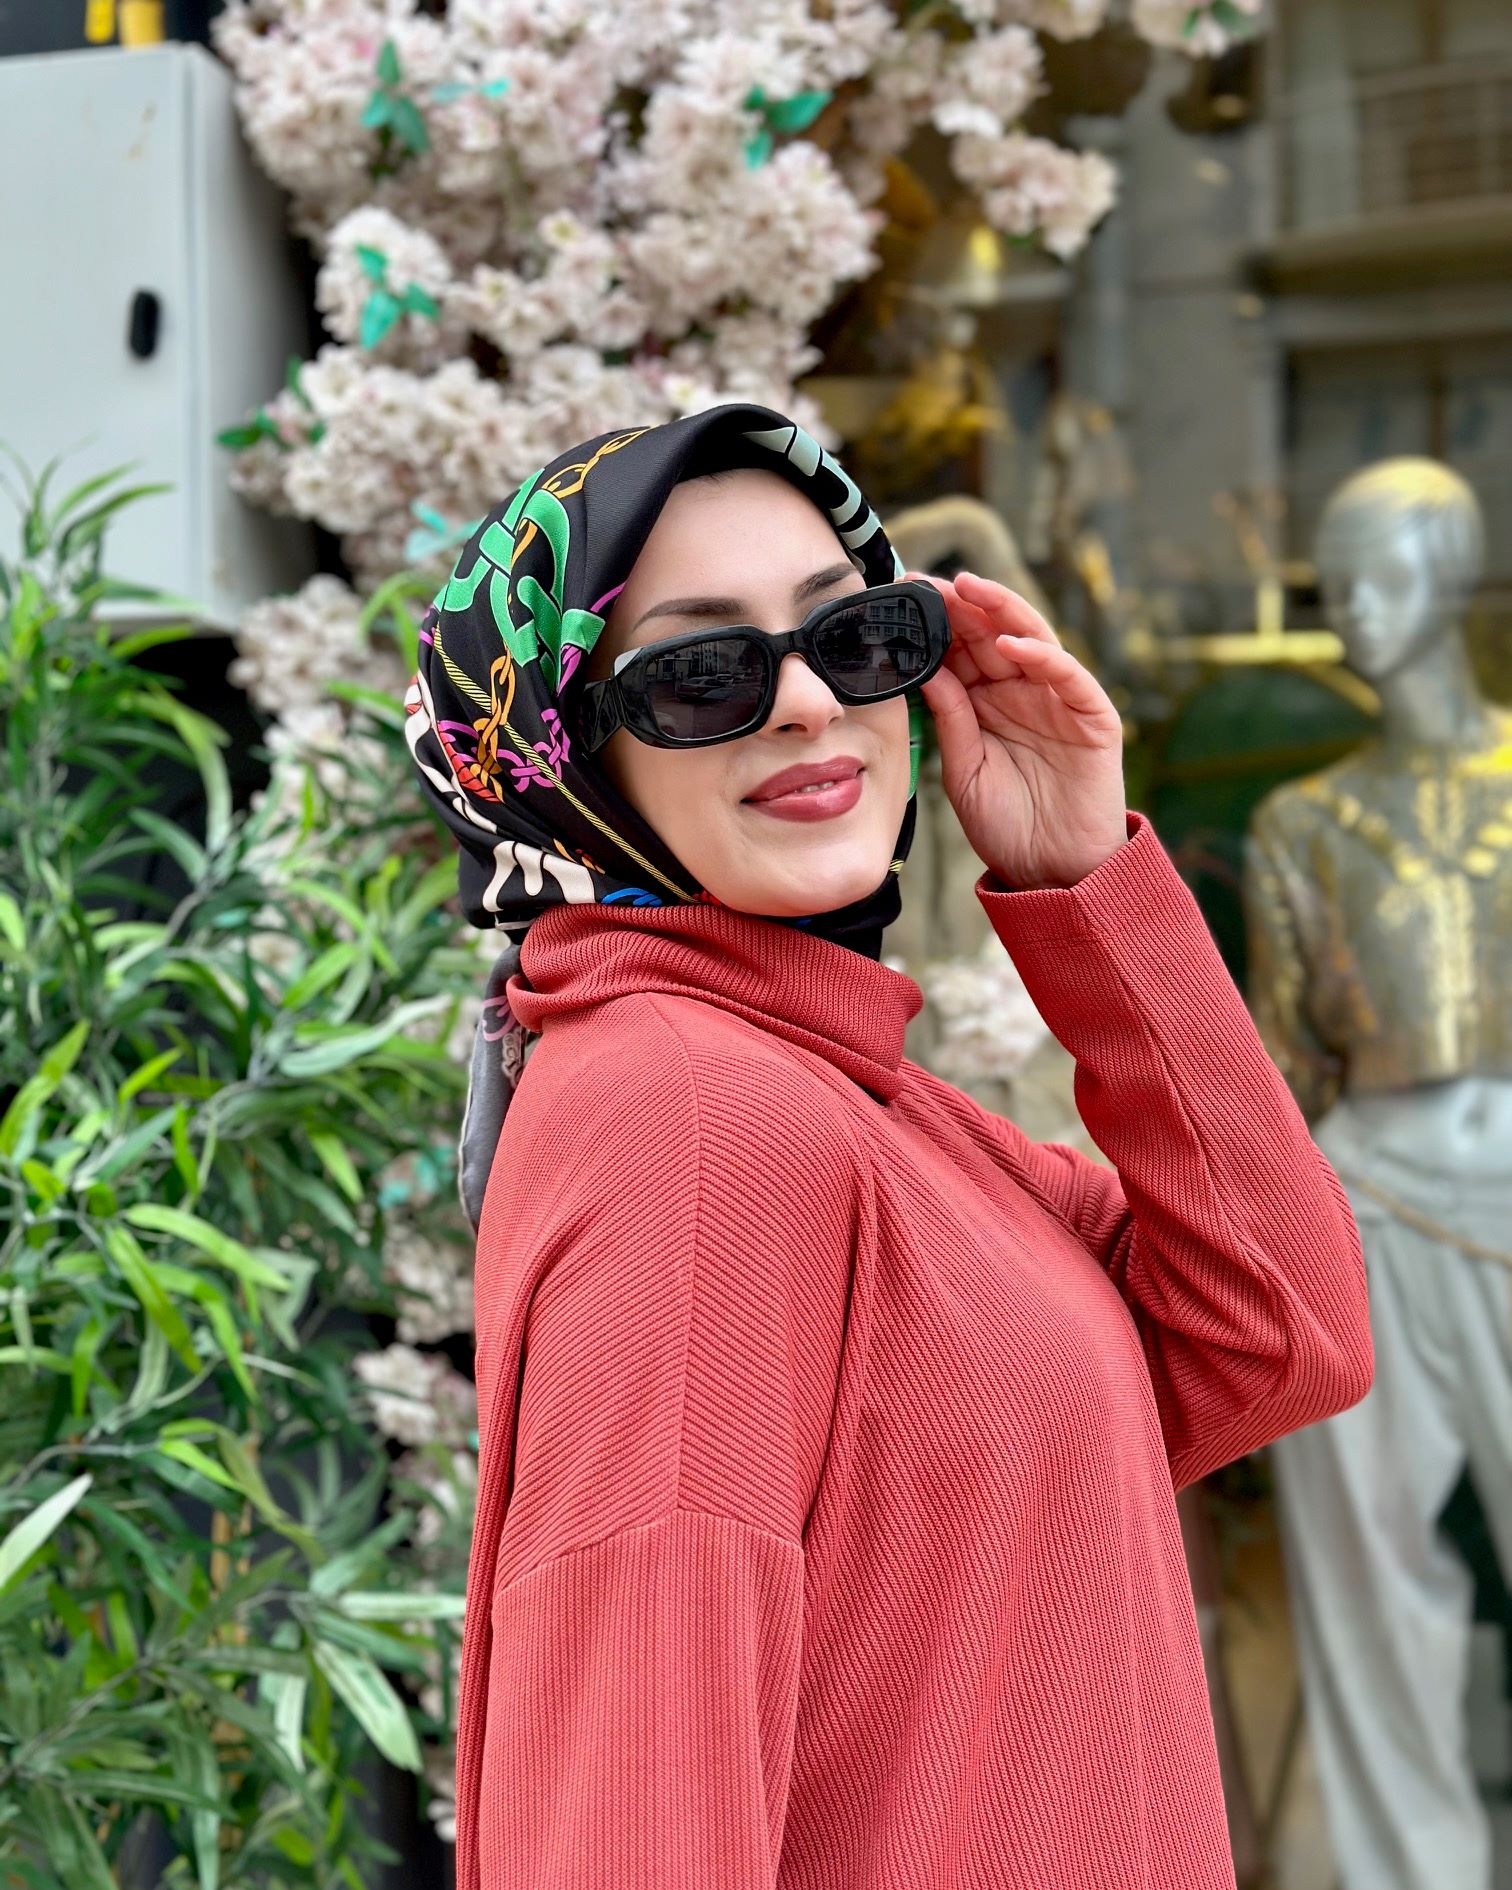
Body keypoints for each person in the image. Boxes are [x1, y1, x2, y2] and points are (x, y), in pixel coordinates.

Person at [405, 402, 1374, 1890]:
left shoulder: (851, 1100)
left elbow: (1279, 1329)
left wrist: (1083, 883)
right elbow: (634, 1820)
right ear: (565, 765)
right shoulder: (692, 1120)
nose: (807, 702)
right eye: (701, 674)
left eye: (854, 637)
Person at [1243, 458, 1512, 1890]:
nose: (1350, 604)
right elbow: (1287, 1062)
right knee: (1365, 1570)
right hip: (1369, 1201)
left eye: (1381, 572)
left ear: (1452, 575)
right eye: (1331, 578)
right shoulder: (1303, 822)